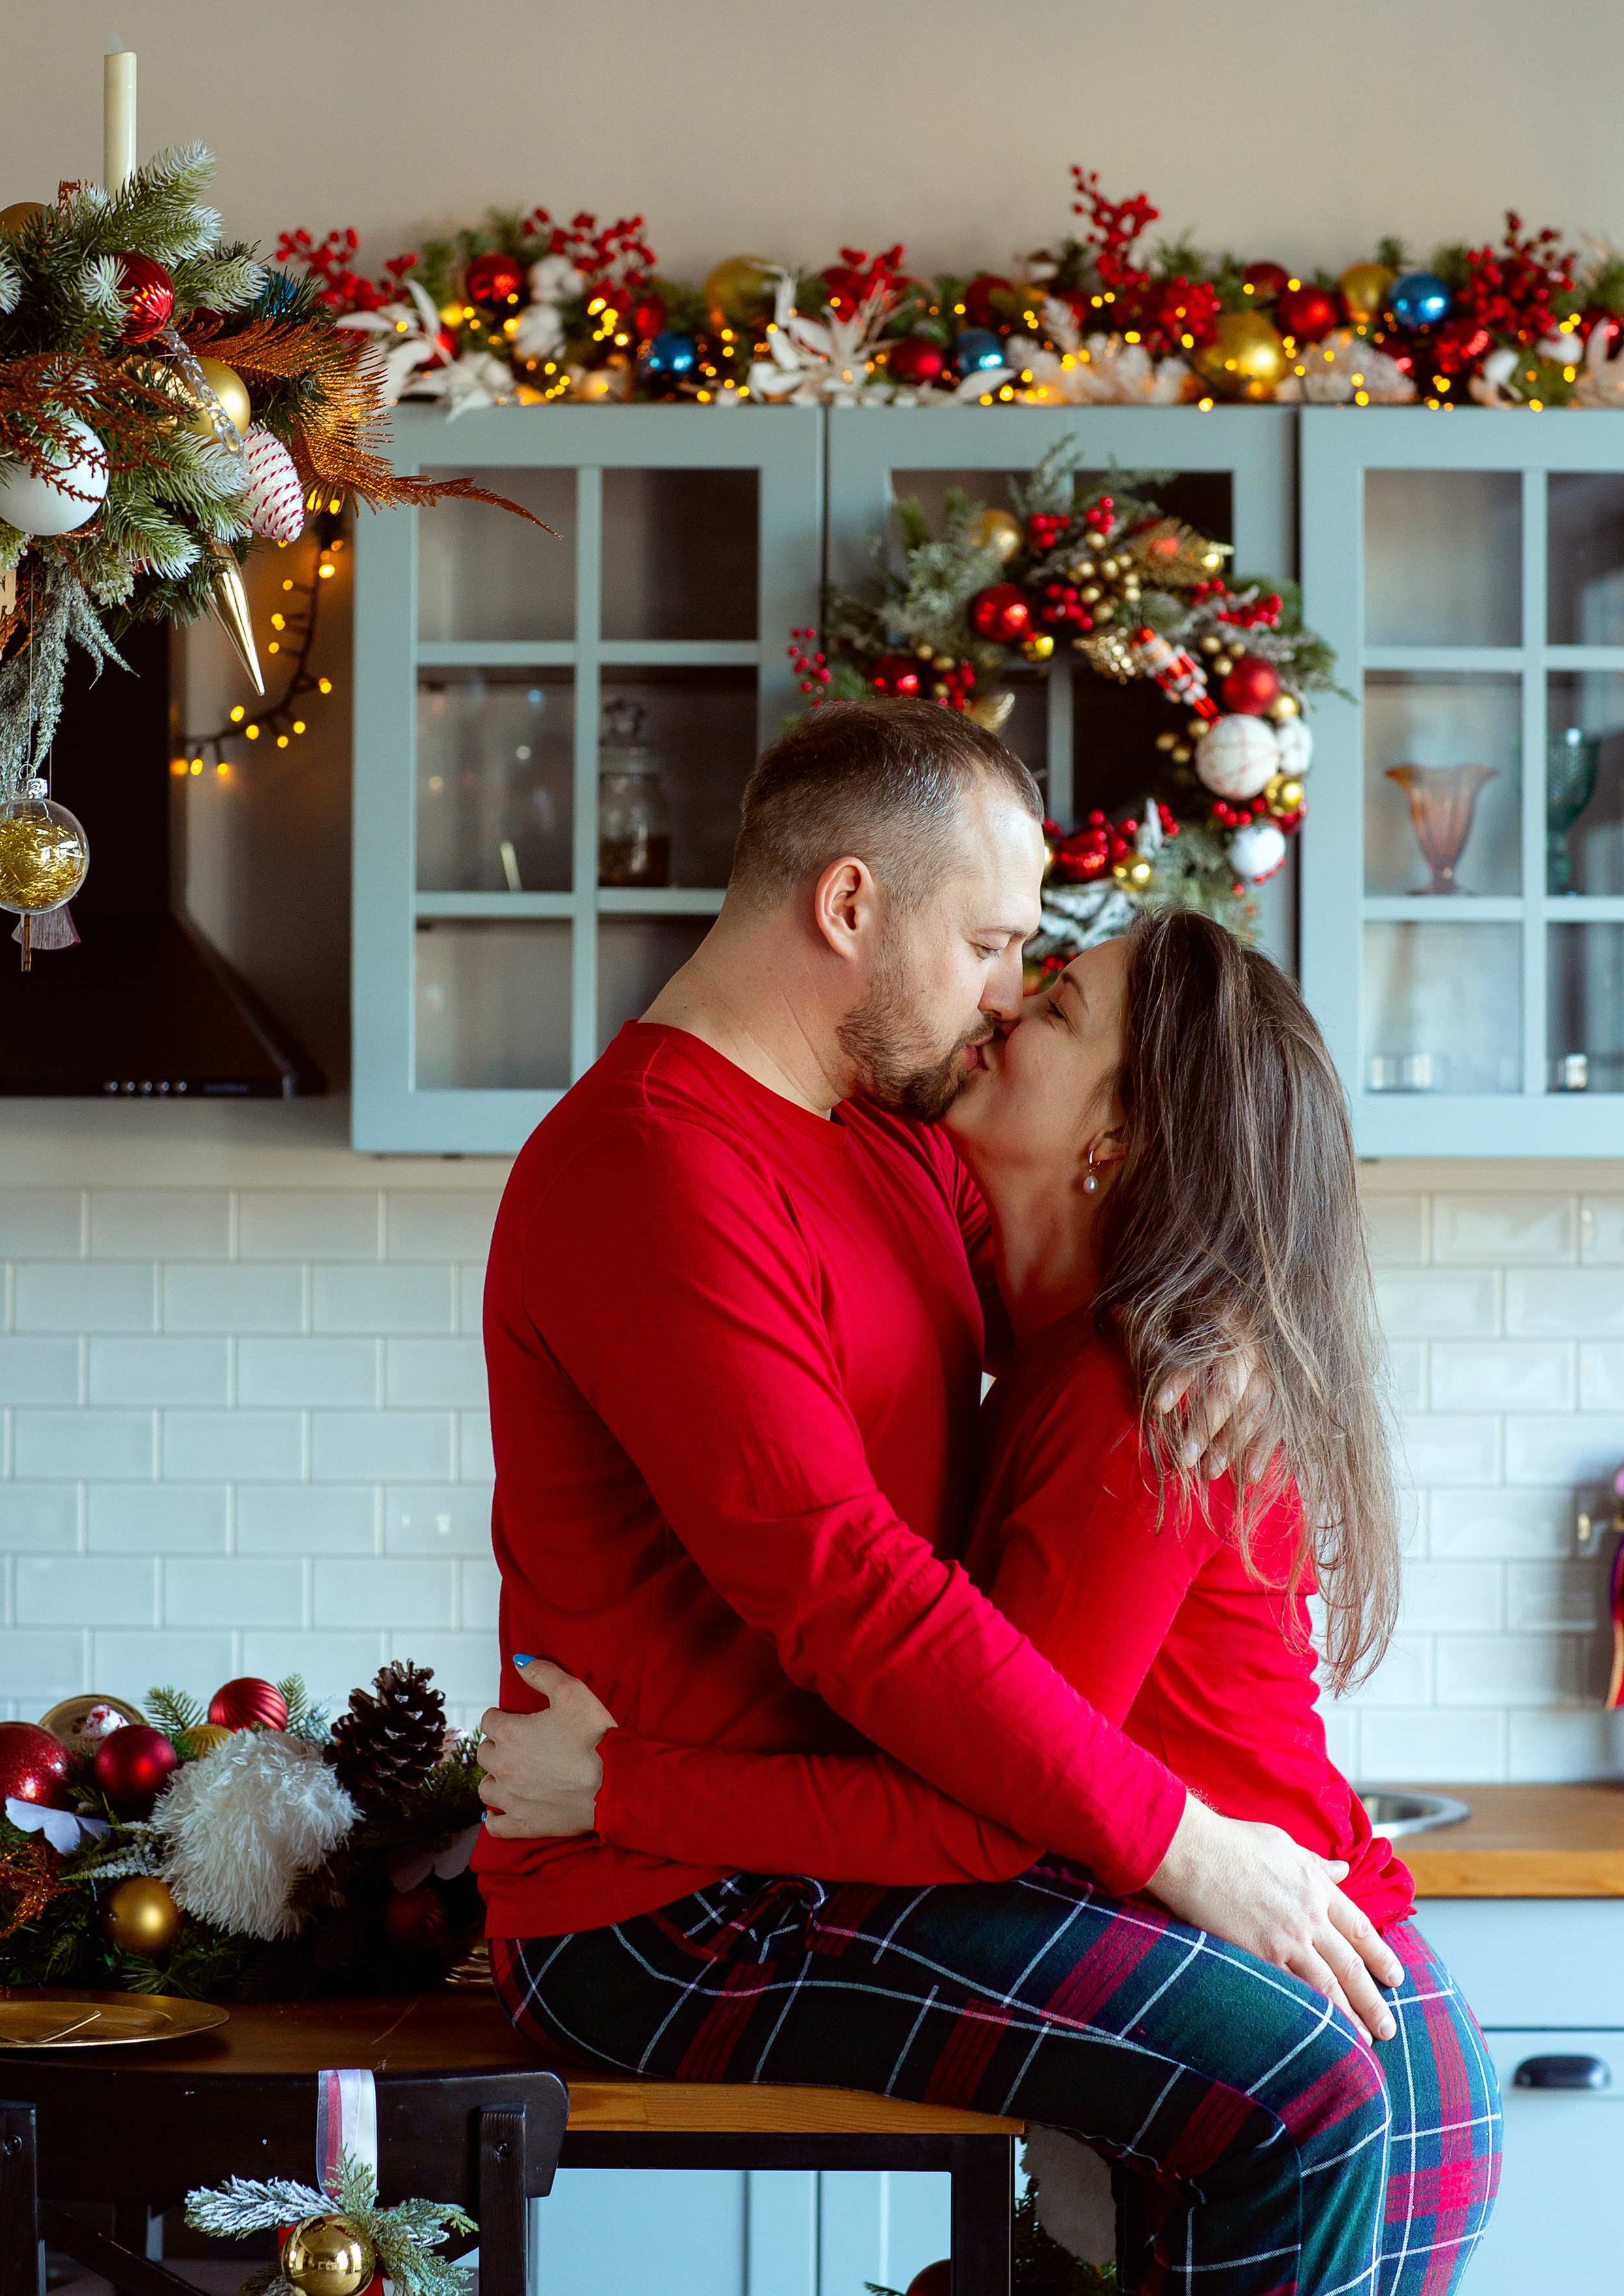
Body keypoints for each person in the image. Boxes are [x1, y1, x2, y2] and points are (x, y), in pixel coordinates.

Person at [473, 700, 1409, 2296]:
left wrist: (1231, 1318)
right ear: (847, 907)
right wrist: (1176, 1839)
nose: (997, 1000)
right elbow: (850, 1591)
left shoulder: (887, 1142)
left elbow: (1106, 1265)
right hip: (675, 1910)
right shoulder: (653, 1167)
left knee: (1331, 2063)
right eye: (988, 942)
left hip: (874, 1844)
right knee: (1299, 2087)